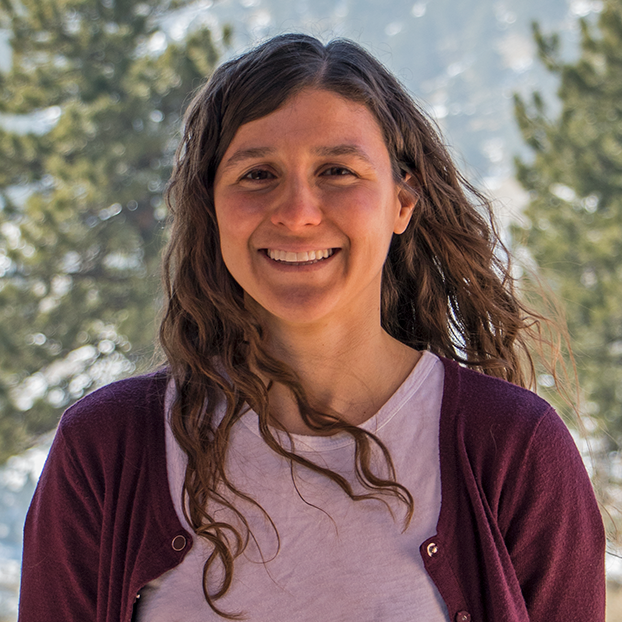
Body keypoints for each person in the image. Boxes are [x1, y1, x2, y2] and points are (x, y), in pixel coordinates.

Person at [19, 33, 605, 622]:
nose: (298, 211)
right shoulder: (105, 449)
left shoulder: (514, 449)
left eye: (337, 171)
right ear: (212, 205)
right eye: (257, 175)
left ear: (402, 201)